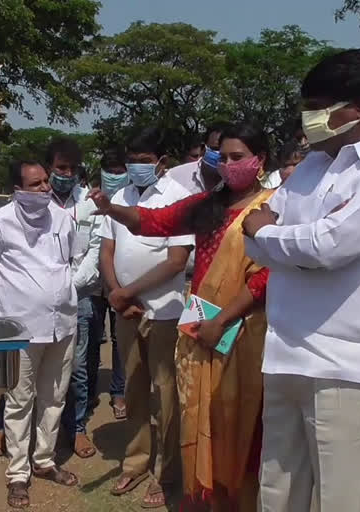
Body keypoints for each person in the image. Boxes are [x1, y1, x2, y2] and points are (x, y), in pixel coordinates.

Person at [242, 49, 360, 512]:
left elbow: (327, 247)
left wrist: (278, 234)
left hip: (347, 364)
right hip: (285, 354)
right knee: (276, 494)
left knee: (341, 500)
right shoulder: (312, 167)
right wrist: (288, 237)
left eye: (319, 104)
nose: (309, 117)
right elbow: (257, 236)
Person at [90, 123, 274, 511]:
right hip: (199, 325)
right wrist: (111, 209)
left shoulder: (274, 206)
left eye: (237, 157)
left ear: (261, 161)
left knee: (235, 417)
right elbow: (154, 222)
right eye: (221, 157)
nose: (227, 164)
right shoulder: (208, 205)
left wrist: (222, 321)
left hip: (240, 329)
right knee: (197, 411)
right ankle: (201, 491)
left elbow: (264, 278)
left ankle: (234, 498)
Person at [98, 127, 195, 509]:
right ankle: (136, 461)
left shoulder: (179, 199)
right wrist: (116, 294)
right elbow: (107, 252)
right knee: (134, 387)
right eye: (131, 161)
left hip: (165, 310)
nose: (136, 167)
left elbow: (176, 262)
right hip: (125, 309)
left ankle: (166, 471)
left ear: (161, 163)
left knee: (165, 392)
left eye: (143, 161)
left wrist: (128, 291)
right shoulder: (118, 198)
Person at [0, 160, 79, 509]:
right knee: (20, 400)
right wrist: (12, 301)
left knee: (54, 396)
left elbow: (70, 261)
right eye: (36, 184)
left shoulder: (62, 218)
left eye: (46, 181)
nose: (45, 188)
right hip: (20, 328)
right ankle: (18, 473)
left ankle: (44, 460)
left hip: (62, 323)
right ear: (18, 189)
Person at [43, 137, 106, 458]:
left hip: (78, 294)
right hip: (39, 297)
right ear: (49, 168)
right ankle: (7, 425)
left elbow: (95, 251)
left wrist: (69, 285)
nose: (66, 173)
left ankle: (77, 428)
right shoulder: (37, 201)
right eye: (60, 167)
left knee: (78, 366)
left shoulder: (90, 203)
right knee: (31, 362)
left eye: (72, 168)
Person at [96, 146, 129, 420]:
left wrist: (118, 288)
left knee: (120, 341)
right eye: (111, 172)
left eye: (121, 173)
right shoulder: (89, 199)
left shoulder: (129, 201)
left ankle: (120, 392)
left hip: (123, 284)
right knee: (92, 339)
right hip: (93, 286)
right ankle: (90, 391)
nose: (116, 177)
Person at [167, 123, 228, 194]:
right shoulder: (175, 176)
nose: (220, 155)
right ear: (203, 149)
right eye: (215, 149)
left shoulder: (236, 183)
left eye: (233, 155)